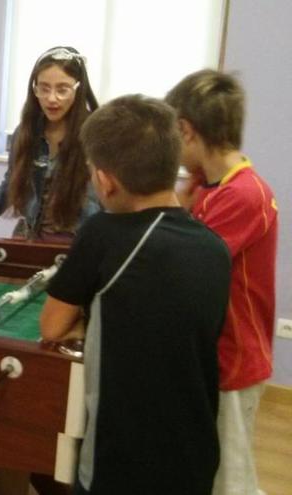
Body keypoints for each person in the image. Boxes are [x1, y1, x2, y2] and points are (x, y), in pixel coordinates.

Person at [40, 95, 231, 494]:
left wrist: (89, 320)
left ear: (105, 181)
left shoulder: (103, 235)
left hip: (118, 463)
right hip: (194, 457)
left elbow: (53, 326)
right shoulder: (215, 248)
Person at [167, 70, 278, 495]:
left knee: (231, 481)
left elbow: (186, 262)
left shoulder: (244, 194)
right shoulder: (205, 183)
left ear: (186, 131)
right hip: (214, 355)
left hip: (236, 359)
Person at [0, 46, 100, 241]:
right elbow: (12, 181)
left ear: (79, 88)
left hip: (79, 245)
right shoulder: (26, 132)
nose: (52, 99)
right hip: (32, 240)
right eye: (43, 89)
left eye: (62, 90)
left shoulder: (97, 135)